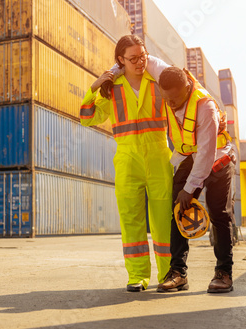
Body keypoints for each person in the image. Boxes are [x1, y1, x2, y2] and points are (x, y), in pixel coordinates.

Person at [80, 35, 173, 292]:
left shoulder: (158, 81)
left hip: (158, 158)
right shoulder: (112, 88)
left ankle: (168, 275)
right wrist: (95, 85)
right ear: (120, 60)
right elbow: (86, 117)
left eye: (143, 56)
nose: (140, 62)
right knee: (131, 220)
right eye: (133, 58)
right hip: (127, 159)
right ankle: (137, 276)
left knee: (164, 220)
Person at [154, 66, 236, 293]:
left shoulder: (205, 107)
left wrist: (189, 189)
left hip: (217, 158)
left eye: (176, 98)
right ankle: (178, 272)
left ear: (188, 87)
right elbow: (145, 60)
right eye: (166, 98)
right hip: (190, 155)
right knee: (177, 210)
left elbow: (207, 154)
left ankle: (224, 273)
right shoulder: (168, 84)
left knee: (220, 214)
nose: (170, 103)